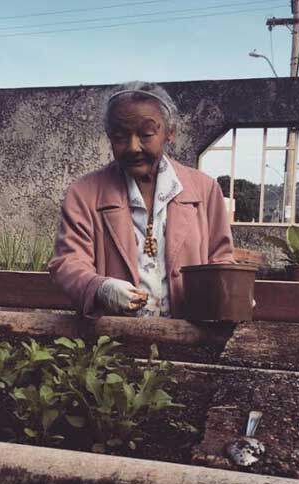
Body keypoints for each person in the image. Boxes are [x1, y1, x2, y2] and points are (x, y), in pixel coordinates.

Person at [48, 81, 234, 319]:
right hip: (112, 342)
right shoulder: (84, 193)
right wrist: (100, 288)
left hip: (190, 336)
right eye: (120, 136)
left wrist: (231, 290)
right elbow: (68, 262)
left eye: (146, 134)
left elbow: (221, 258)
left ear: (170, 132)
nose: (133, 147)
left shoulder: (204, 190)